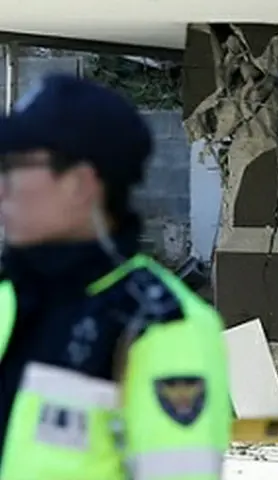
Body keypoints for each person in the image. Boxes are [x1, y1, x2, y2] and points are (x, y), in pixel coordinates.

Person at [0, 73, 231, 479]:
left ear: (79, 184)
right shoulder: (8, 298)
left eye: (12, 165)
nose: (2, 187)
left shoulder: (161, 325)